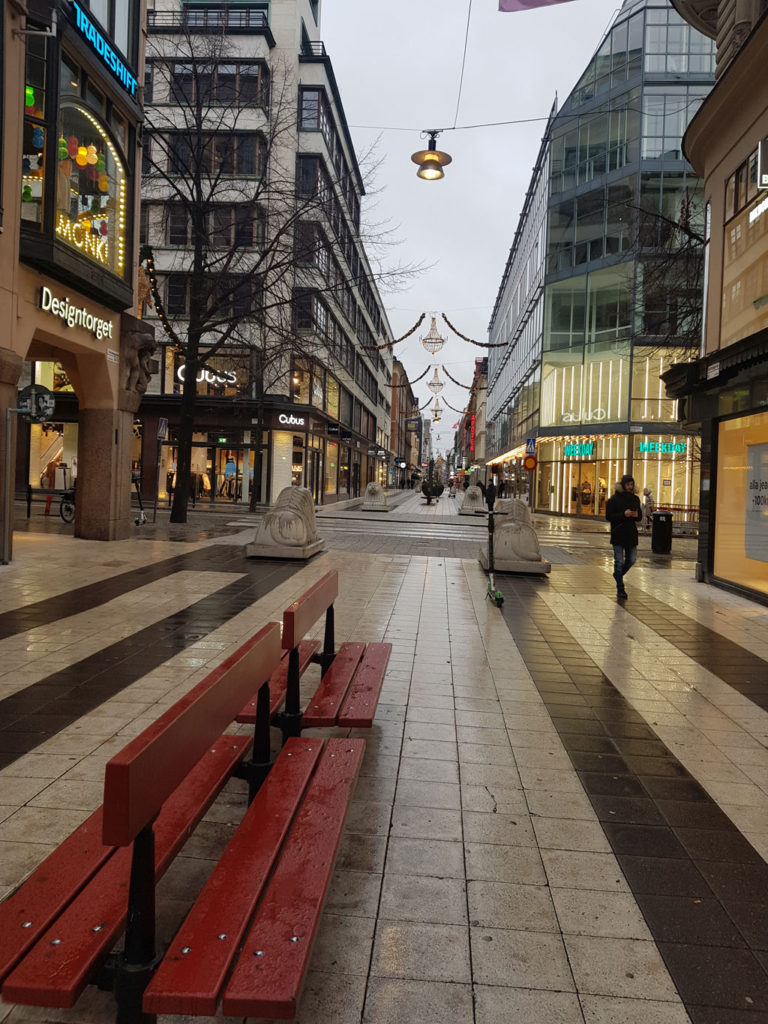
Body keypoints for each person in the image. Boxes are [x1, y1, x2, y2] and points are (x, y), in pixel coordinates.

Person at [605, 474, 642, 600]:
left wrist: (636, 515)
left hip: (631, 534)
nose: (630, 487)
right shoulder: (614, 499)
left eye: (631, 484)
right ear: (622, 485)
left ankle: (618, 575)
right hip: (618, 533)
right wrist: (623, 514)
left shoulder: (635, 499)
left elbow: (640, 517)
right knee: (619, 561)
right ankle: (620, 588)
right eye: (627, 484)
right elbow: (609, 516)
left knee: (631, 559)